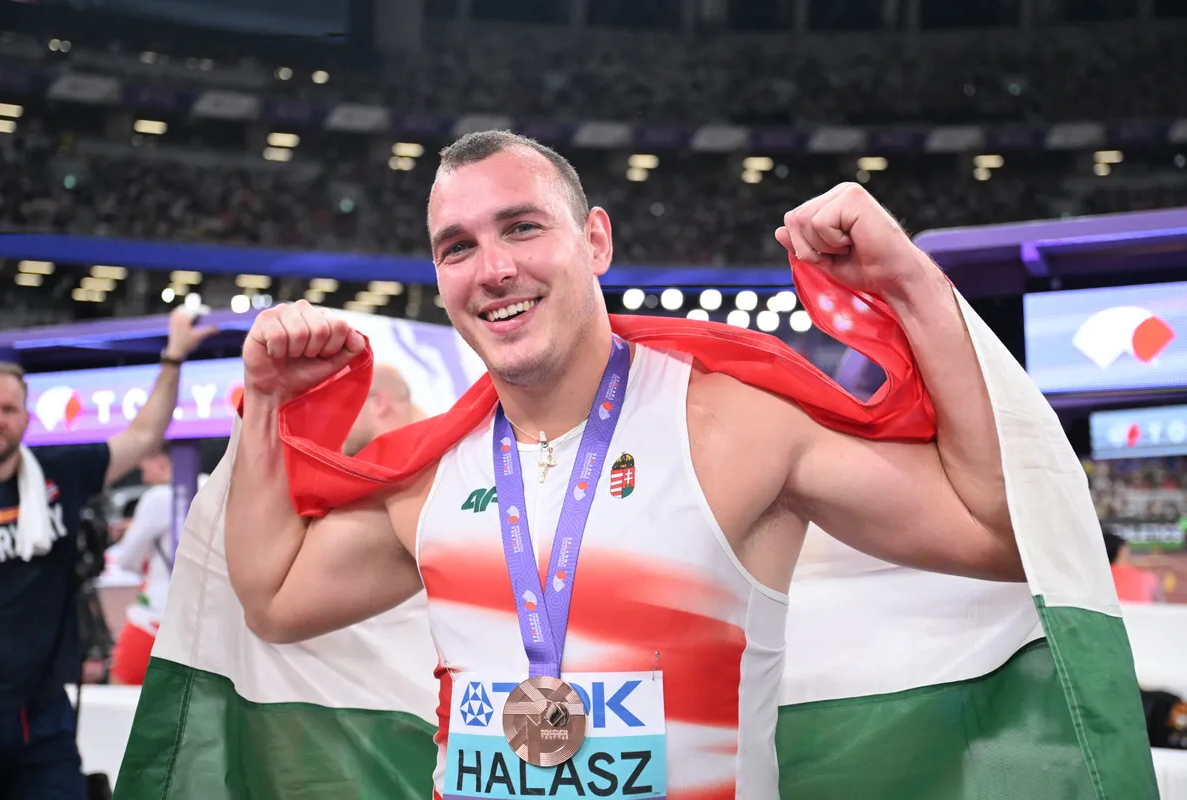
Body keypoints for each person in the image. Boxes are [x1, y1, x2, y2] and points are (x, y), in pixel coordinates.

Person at [223, 130, 1024, 797]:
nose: (493, 267)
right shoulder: (435, 472)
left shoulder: (730, 427)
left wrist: (911, 286)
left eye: (522, 227)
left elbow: (997, 533)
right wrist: (265, 404)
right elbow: (274, 598)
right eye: (458, 246)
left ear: (596, 240)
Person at [0, 308, 215, 799]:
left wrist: (173, 357)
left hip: (42, 715)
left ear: (26, 418)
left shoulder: (58, 474)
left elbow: (142, 438)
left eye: (7, 410)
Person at [103, 445, 174, 686]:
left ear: (160, 461)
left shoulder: (157, 497)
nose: (144, 478)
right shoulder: (213, 485)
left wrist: (133, 533)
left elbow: (127, 560)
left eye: (145, 469)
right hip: (207, 622)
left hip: (155, 616)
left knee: (119, 695)